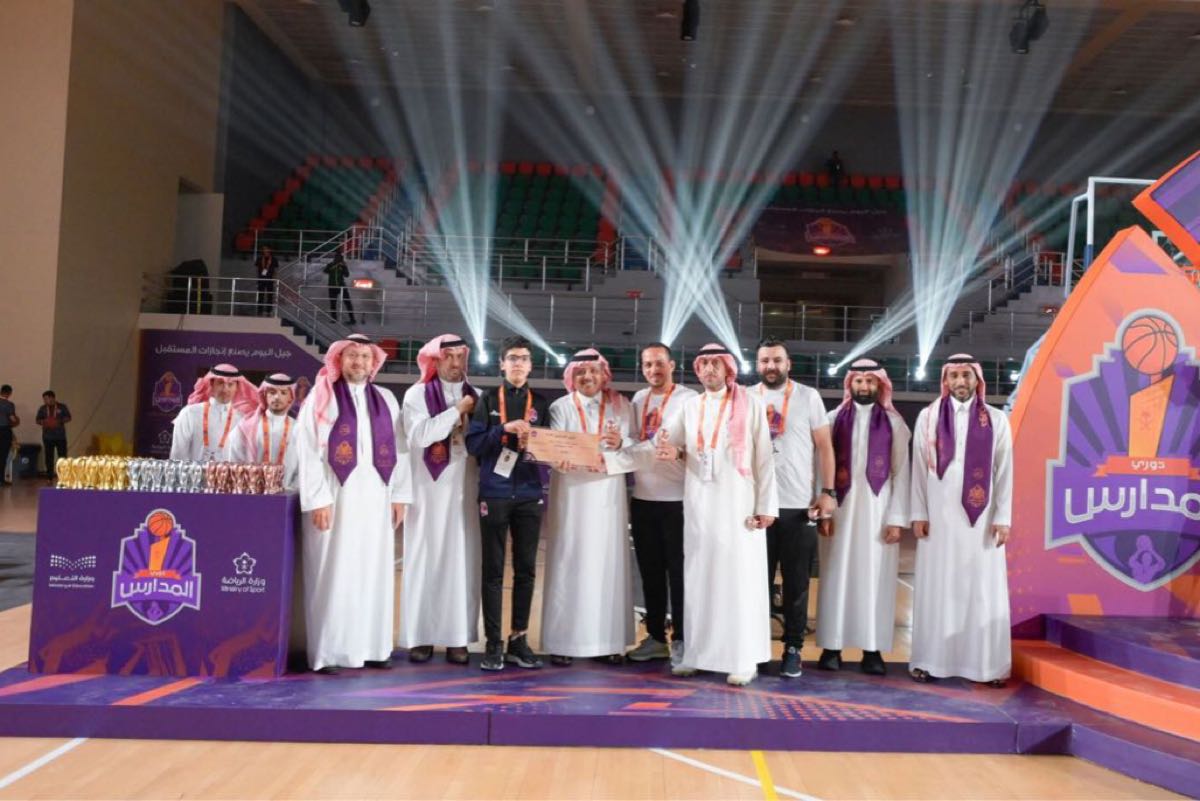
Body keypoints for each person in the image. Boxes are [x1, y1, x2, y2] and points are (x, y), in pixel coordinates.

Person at [655, 344, 778, 686]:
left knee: (738, 580)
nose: (709, 369)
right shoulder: (689, 407)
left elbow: (765, 459)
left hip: (740, 507)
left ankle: (743, 658)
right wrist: (669, 450)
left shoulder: (751, 404)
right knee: (700, 578)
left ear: (728, 369)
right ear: (698, 370)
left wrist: (766, 506)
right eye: (704, 363)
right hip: (700, 506)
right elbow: (666, 441)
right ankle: (698, 655)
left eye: (715, 363)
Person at [295, 334, 412, 674]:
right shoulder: (322, 396)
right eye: (352, 356)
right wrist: (318, 499)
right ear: (339, 360)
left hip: (377, 496)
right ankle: (329, 652)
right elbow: (307, 450)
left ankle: (373, 647)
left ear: (373, 363)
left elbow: (401, 449)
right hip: (335, 495)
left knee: (373, 570)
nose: (359, 362)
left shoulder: (386, 399)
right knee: (335, 572)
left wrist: (400, 495)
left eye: (364, 356)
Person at [909, 354, 1013, 686]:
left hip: (982, 523)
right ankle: (930, 661)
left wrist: (1003, 517)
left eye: (966, 375)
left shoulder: (996, 419)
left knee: (982, 591)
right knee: (937, 589)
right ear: (945, 380)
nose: (960, 382)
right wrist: (918, 512)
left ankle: (987, 667)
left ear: (977, 379)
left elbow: (1005, 470)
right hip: (939, 520)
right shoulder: (928, 417)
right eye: (954, 376)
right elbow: (918, 469)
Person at [541, 348, 636, 665]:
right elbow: (553, 449)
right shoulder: (560, 407)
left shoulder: (622, 406)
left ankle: (608, 642)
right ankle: (563, 642)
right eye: (581, 372)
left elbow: (637, 447)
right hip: (572, 497)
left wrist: (620, 444)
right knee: (569, 561)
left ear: (604, 374)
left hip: (608, 497)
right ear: (572, 376)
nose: (587, 377)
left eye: (593, 371)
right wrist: (560, 460)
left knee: (608, 565)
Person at [816, 359, 911, 676]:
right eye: (859, 381)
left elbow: (901, 472)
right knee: (835, 575)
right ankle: (831, 647)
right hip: (839, 510)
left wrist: (897, 518)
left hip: (878, 512)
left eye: (870, 381)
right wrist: (823, 512)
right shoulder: (832, 420)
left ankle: (872, 651)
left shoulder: (895, 424)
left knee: (875, 579)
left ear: (880, 385)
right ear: (850, 385)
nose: (864, 386)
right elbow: (821, 467)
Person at [465, 335, 551, 672]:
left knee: (526, 569)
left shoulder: (540, 402)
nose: (518, 363)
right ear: (502, 364)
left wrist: (534, 443)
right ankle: (493, 644)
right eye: (512, 358)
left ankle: (519, 639)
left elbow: (549, 450)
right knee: (493, 570)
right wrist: (503, 430)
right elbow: (473, 445)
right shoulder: (487, 399)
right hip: (495, 493)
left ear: (531, 365)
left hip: (529, 494)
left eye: (524, 358)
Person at [753, 338, 836, 679]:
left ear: (788, 364)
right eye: (764, 361)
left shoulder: (808, 396)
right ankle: (755, 648)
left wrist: (827, 492)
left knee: (797, 585)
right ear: (757, 365)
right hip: (758, 506)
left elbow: (825, 447)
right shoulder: (746, 397)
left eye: (777, 360)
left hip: (799, 506)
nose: (771, 366)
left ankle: (793, 648)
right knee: (755, 584)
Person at [399, 334, 480, 665]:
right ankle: (421, 636)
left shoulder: (478, 395)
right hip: (426, 492)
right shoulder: (417, 394)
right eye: (448, 356)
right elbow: (420, 436)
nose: (455, 363)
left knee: (460, 562)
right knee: (424, 559)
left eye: (460, 356)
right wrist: (456, 411)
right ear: (434, 360)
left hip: (464, 492)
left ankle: (457, 638)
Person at [623, 343, 697, 667]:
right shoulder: (638, 399)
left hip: (678, 501)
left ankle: (682, 639)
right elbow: (634, 443)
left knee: (680, 575)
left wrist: (678, 452)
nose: (654, 370)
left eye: (659, 363)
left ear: (672, 365)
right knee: (650, 574)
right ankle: (655, 637)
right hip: (643, 499)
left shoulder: (690, 399)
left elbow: (700, 446)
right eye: (648, 364)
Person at [169, 365, 258, 462]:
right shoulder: (189, 414)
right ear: (211, 384)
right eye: (220, 383)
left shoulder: (242, 420)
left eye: (230, 384)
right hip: (194, 472)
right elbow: (177, 456)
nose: (225, 389)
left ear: (237, 387)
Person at [232, 373, 300, 490]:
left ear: (290, 397)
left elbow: (305, 468)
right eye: (272, 392)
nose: (277, 397)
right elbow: (234, 463)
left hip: (288, 494)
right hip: (250, 494)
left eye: (283, 393)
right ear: (264, 395)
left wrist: (291, 491)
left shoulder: (299, 429)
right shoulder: (246, 427)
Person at [35, 391, 72, 480]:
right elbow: (37, 420)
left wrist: (59, 421)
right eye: (44, 399)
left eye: (46, 399)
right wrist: (44, 422)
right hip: (47, 436)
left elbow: (68, 417)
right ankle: (49, 476)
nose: (45, 401)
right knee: (49, 457)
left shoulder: (62, 407)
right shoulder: (43, 408)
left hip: (60, 436)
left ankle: (63, 476)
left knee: (62, 456)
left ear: (52, 398)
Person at [323, 251, 357, 324]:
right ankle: (334, 319)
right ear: (335, 258)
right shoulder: (330, 265)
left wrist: (344, 267)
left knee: (347, 302)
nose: (338, 260)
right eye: (337, 258)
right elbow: (325, 271)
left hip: (341, 286)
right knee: (333, 303)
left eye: (340, 258)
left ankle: (352, 319)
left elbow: (347, 275)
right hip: (332, 286)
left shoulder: (343, 266)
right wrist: (334, 266)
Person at [254, 246, 279, 316]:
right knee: (261, 295)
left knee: (270, 295)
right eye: (264, 249)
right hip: (261, 279)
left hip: (270, 279)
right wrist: (257, 278)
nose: (266, 251)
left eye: (267, 249)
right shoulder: (259, 258)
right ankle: (260, 310)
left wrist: (275, 279)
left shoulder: (274, 259)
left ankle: (269, 310)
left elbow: (276, 270)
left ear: (270, 250)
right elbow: (256, 269)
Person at [0, 385, 16, 486]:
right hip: (4, 431)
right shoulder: (9, 404)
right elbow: (12, 419)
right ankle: (1, 480)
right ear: (9, 393)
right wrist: (16, 420)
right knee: (3, 456)